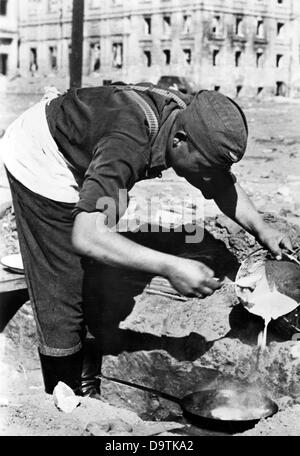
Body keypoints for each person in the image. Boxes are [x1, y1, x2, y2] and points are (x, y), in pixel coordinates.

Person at [1, 82, 292, 397]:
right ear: (179, 141)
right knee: (62, 283)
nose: (207, 178)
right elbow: (86, 236)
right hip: (43, 157)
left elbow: (219, 180)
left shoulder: (189, 118)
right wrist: (170, 266)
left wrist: (261, 228)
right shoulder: (128, 144)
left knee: (96, 270)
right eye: (204, 168)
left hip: (90, 148)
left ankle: (88, 379)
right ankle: (67, 397)